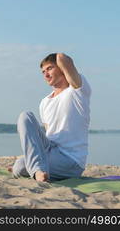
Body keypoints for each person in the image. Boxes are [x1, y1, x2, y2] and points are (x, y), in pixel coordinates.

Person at [11, 53, 91, 182]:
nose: (46, 75)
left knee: (21, 166)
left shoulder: (77, 90)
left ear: (61, 67)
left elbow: (61, 57)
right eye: (43, 72)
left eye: (49, 68)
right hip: (50, 150)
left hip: (70, 160)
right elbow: (48, 133)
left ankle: (36, 170)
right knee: (25, 116)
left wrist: (59, 61)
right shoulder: (44, 102)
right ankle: (36, 169)